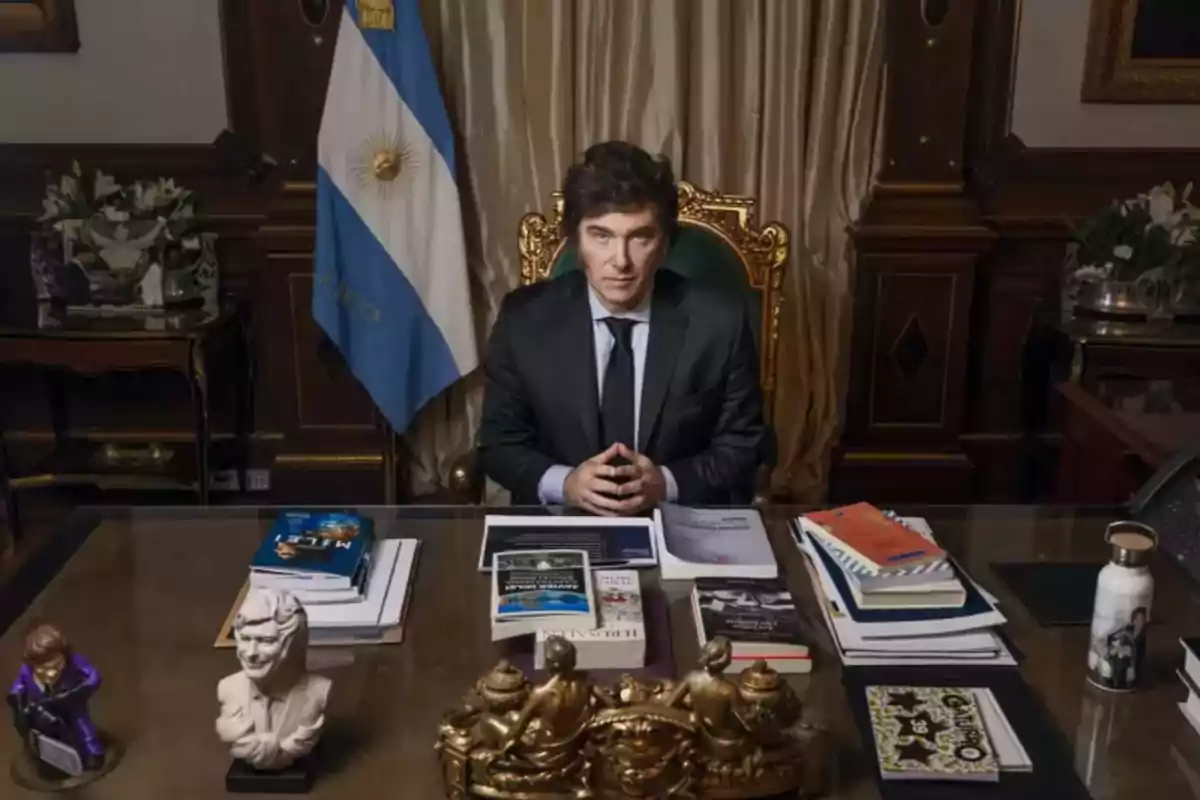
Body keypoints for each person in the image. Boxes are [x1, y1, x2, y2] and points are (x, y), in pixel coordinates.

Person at [478, 141, 766, 513]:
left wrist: (666, 483)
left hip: (677, 520)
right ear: (575, 242)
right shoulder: (524, 319)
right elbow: (498, 444)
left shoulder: (719, 321)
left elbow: (744, 443)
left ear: (664, 244)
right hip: (563, 520)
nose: (621, 261)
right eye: (602, 236)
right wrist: (565, 483)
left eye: (640, 237)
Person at [215, 588, 331, 771]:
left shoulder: (317, 692)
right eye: (245, 639)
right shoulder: (228, 689)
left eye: (266, 641)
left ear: (293, 646)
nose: (251, 653)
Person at [7, 623, 104, 771]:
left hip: (70, 701)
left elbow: (93, 675)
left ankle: (93, 753)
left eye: (55, 665)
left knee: (82, 724)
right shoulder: (27, 671)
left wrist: (80, 691)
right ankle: (53, 754)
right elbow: (17, 687)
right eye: (42, 668)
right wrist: (18, 703)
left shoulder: (74, 662)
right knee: (46, 729)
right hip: (45, 704)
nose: (49, 673)